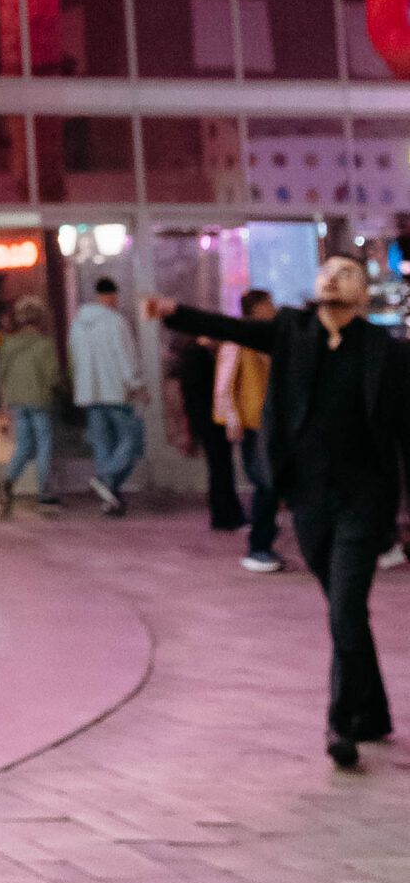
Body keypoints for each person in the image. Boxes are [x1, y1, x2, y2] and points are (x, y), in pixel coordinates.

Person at [148, 257, 410, 769]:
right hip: (309, 498)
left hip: (365, 500)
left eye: (347, 273)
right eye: (328, 269)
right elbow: (233, 329)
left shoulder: (386, 354)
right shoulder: (292, 332)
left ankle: (340, 724)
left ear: (363, 296)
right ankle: (373, 712)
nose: (333, 276)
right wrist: (176, 311)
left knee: (345, 608)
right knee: (344, 607)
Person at [215, 290, 282, 573]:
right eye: (268, 304)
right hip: (253, 422)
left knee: (271, 482)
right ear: (255, 308)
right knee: (266, 483)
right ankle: (259, 546)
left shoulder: (272, 336)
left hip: (270, 421)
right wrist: (232, 418)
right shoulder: (239, 338)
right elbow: (225, 382)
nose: (273, 308)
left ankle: (263, 544)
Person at [70, 275, 146, 514]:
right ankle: (106, 479)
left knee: (102, 446)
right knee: (131, 441)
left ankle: (109, 497)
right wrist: (136, 383)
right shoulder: (116, 322)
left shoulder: (78, 324)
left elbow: (74, 358)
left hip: (90, 393)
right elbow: (126, 357)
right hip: (115, 392)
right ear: (112, 295)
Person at [168, 326, 245, 533]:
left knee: (219, 467)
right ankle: (225, 515)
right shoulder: (199, 356)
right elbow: (206, 391)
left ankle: (228, 513)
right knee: (221, 467)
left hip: (206, 419)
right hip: (211, 420)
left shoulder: (192, 355)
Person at [0, 295, 62, 510]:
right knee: (44, 445)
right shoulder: (44, 344)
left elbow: (1, 374)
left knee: (22, 445)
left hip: (15, 400)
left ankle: (8, 483)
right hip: (39, 399)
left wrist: (3, 401)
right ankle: (45, 491)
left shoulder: (8, 344)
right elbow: (52, 375)